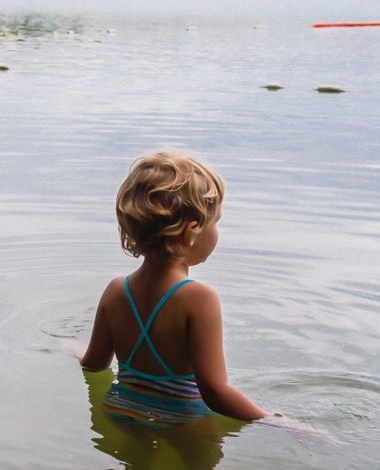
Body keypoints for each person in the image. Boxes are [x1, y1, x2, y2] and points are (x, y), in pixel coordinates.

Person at [76, 152, 275, 429]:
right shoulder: (199, 299)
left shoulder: (116, 290)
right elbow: (216, 393)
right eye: (216, 222)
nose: (217, 231)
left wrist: (71, 349)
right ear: (192, 230)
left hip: (119, 408)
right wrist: (278, 422)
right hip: (179, 419)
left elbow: (94, 363)